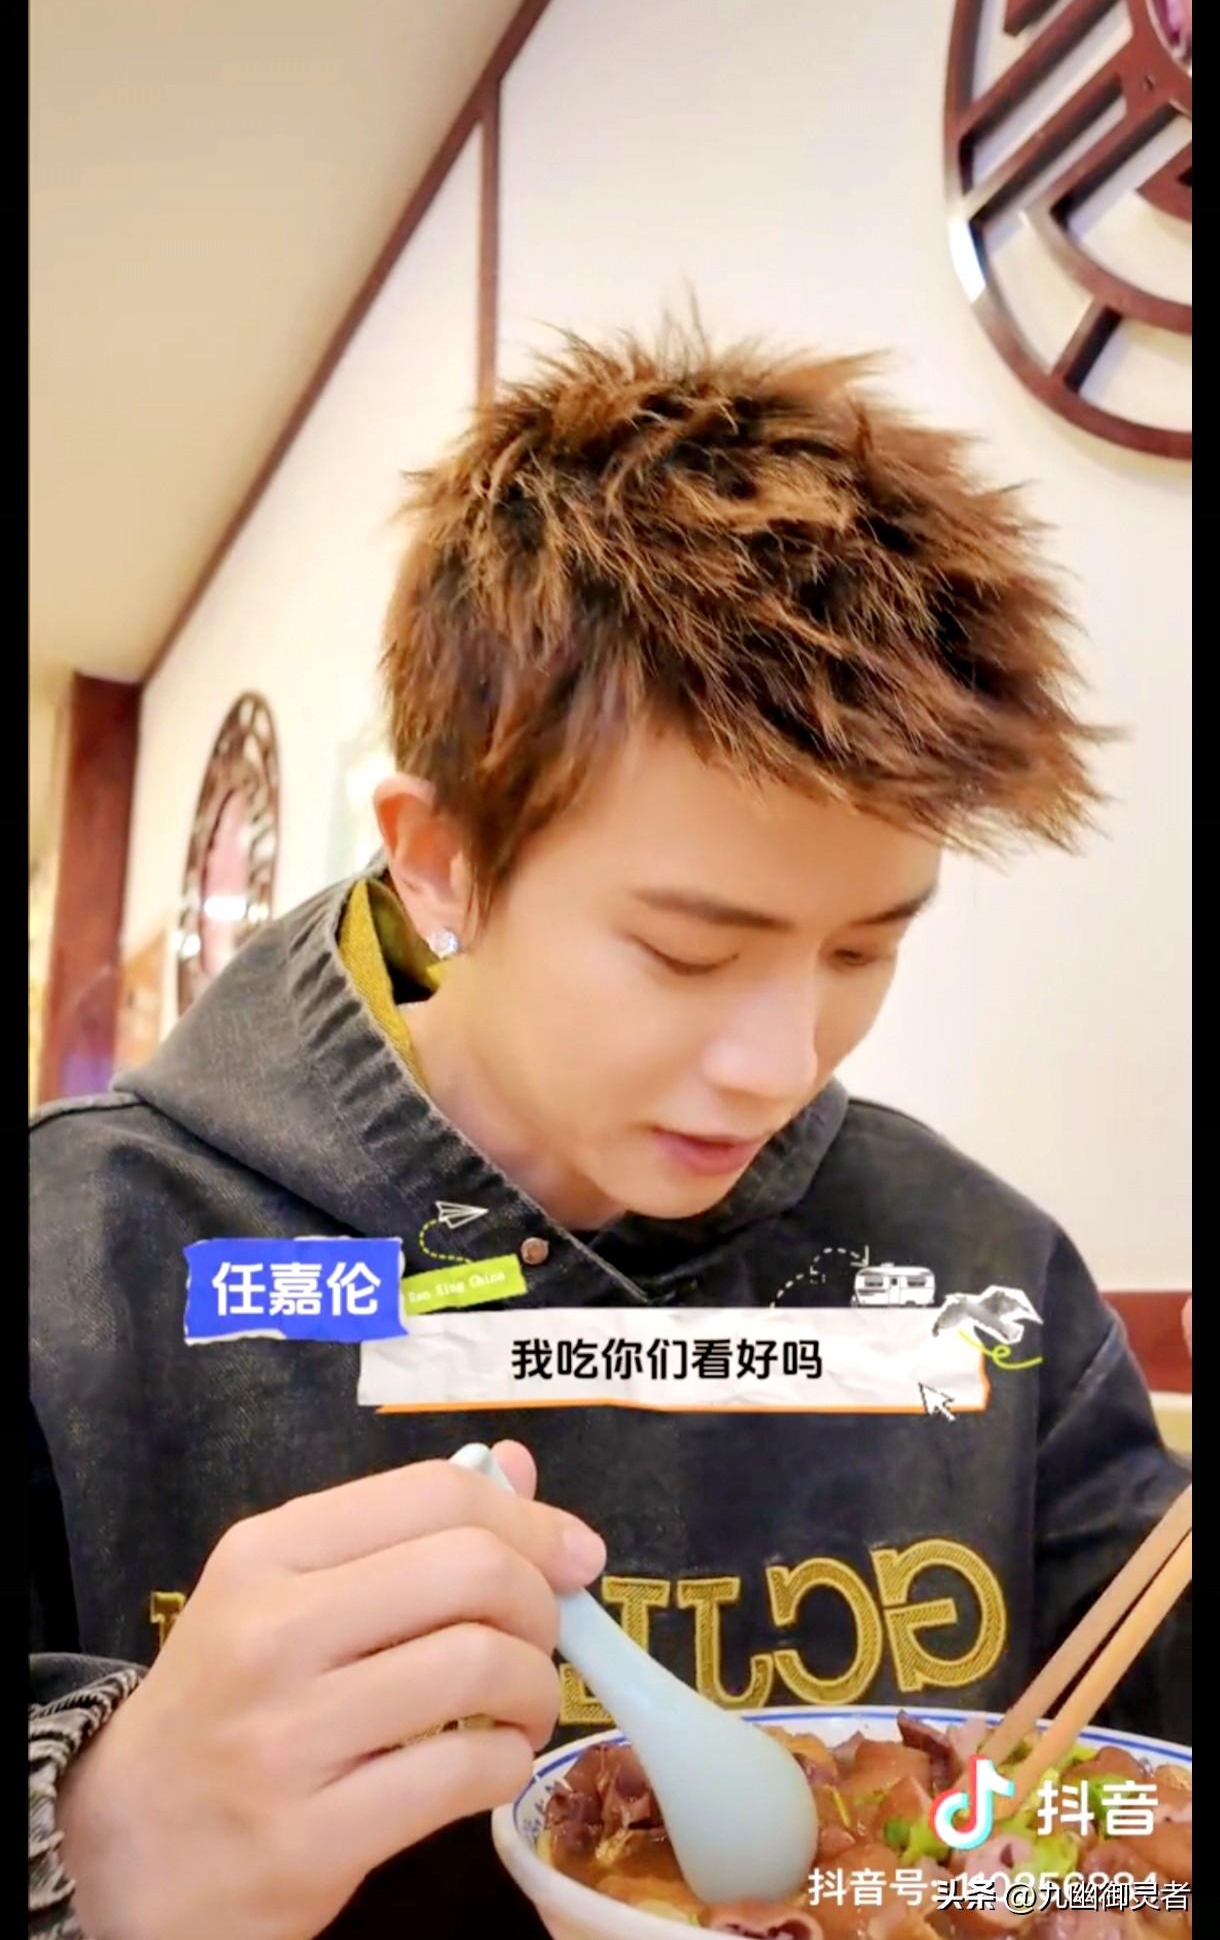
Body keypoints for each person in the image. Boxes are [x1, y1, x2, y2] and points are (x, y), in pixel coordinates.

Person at [29, 326, 1191, 1940]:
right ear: (441, 860)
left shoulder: (985, 1280)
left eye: (863, 948)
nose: (782, 1064)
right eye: (687, 951)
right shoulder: (79, 1261)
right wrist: (87, 1846)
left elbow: (1130, 1779)